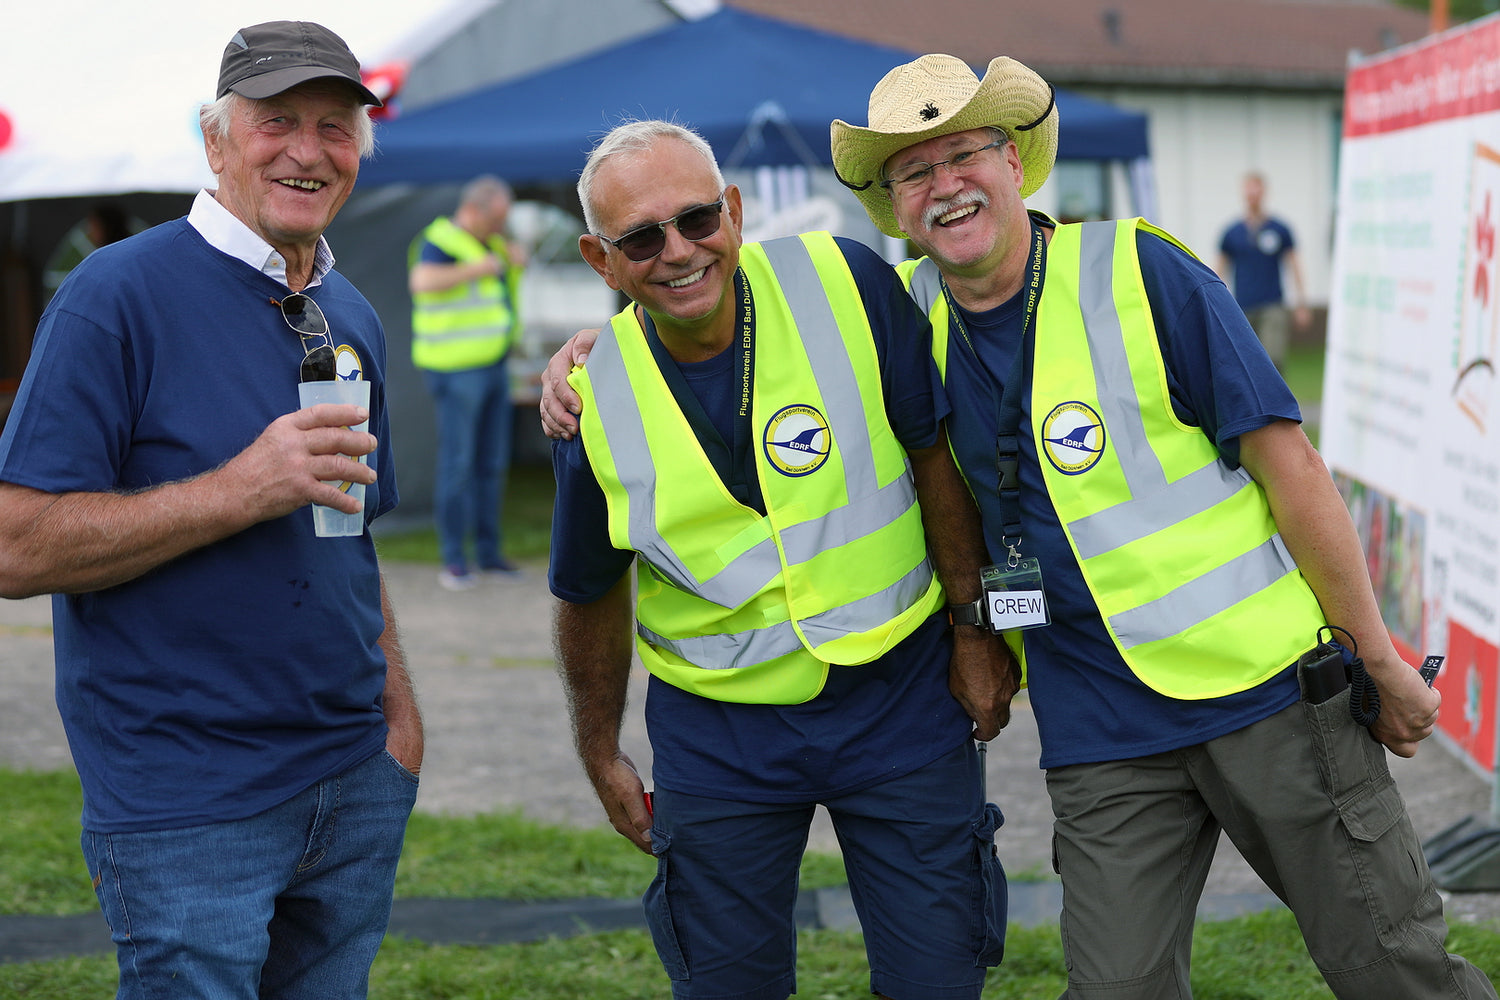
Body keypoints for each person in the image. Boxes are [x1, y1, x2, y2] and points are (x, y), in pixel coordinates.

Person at [541, 56, 1497, 1000]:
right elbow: (691, 381)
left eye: (965, 155)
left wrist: (1373, 655)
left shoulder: (1138, 270)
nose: (946, 185)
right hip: (1100, 725)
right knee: (1115, 989)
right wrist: (588, 347)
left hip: (1268, 694)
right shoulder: (899, 313)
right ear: (896, 204)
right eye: (915, 171)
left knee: (1389, 969)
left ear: (1014, 162)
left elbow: (1293, 469)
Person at [0, 21, 422, 998]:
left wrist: (398, 714)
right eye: (278, 122)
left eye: (336, 125)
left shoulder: (348, 310)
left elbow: (349, 532)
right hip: (188, 803)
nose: (310, 150)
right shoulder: (115, 296)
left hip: (355, 777)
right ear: (216, 139)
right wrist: (242, 488)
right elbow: (16, 550)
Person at [550, 119, 1018, 1000]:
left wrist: (973, 630)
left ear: (733, 209)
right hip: (719, 739)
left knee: (938, 977)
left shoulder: (844, 278)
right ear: (600, 260)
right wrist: (599, 748)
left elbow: (933, 460)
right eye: (642, 238)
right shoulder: (589, 400)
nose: (679, 252)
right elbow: (586, 591)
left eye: (696, 220)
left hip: (900, 700)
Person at [408, 175, 526, 590]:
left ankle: (490, 554)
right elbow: (421, 282)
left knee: (491, 464)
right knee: (458, 465)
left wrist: (510, 263)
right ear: (474, 209)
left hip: (493, 365)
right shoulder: (439, 239)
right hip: (455, 369)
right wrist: (481, 266)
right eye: (496, 219)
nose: (499, 227)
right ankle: (454, 561)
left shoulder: (490, 243)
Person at [1216, 171, 1311, 371]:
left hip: (1272, 305)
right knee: (1244, 361)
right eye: (1249, 190)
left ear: (1264, 192)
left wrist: (1302, 304)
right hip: (1242, 306)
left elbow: (1295, 266)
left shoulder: (1279, 229)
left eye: (1256, 189)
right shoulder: (1232, 233)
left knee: (1273, 358)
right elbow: (1219, 270)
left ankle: (1277, 402)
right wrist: (1217, 305)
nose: (1253, 195)